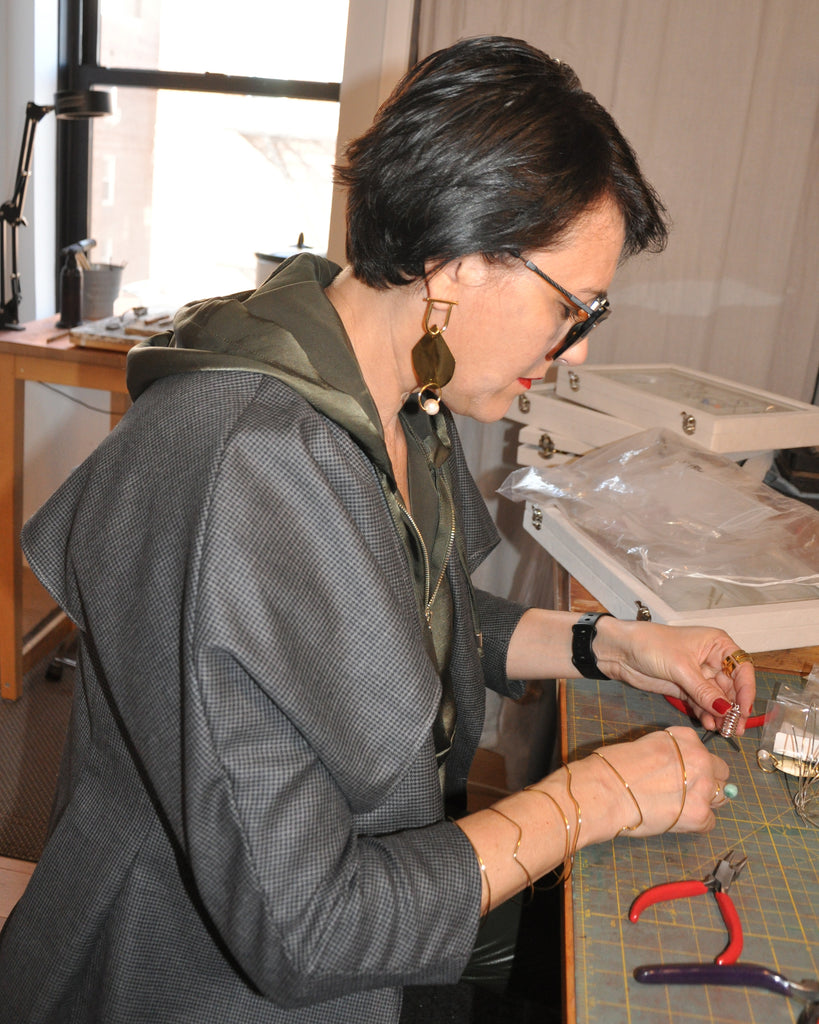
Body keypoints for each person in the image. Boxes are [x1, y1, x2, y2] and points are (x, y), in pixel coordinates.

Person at [0, 35, 754, 1024]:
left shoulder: (398, 394)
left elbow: (411, 622)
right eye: (573, 307)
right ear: (458, 258)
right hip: (191, 976)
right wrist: (595, 796)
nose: (573, 349)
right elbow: (303, 927)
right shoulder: (249, 468)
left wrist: (611, 644)